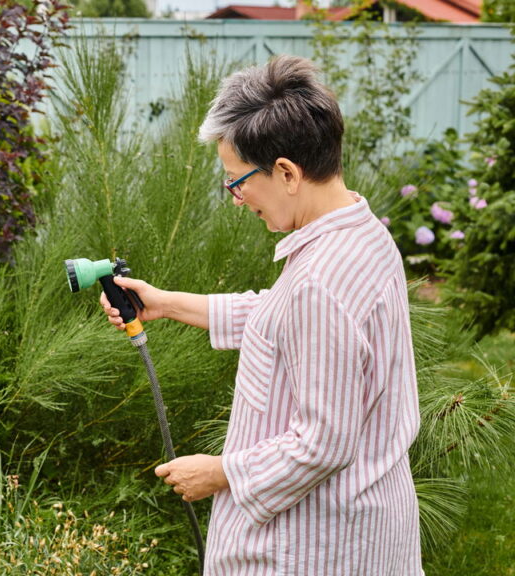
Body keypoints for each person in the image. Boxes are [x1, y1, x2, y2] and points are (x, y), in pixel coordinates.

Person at [99, 55, 422, 575]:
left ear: (287, 173)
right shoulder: (361, 233)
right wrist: (164, 303)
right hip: (370, 531)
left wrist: (220, 472)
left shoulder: (321, 280)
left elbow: (322, 444)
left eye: (237, 181)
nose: (235, 198)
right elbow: (284, 317)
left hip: (312, 548)